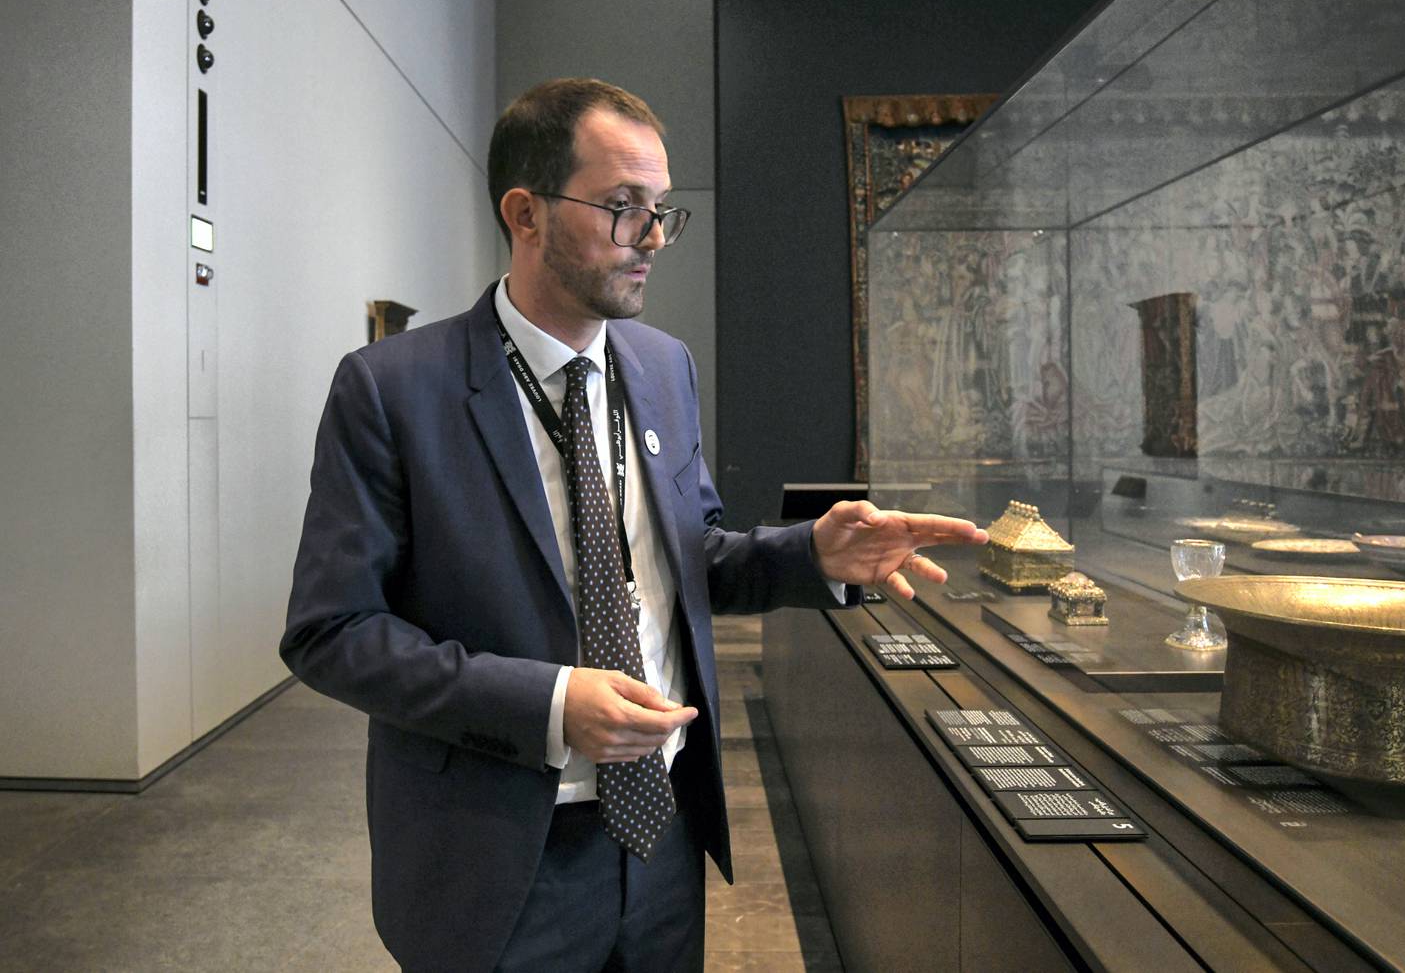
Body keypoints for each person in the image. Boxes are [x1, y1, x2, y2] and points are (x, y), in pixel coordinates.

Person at [280, 77, 988, 972]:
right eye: (622, 208)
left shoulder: (662, 366)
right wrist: (546, 705)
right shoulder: (392, 389)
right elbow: (330, 632)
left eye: (660, 210)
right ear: (525, 213)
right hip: (497, 856)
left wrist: (813, 554)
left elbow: (687, 561)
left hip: (661, 839)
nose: (653, 238)